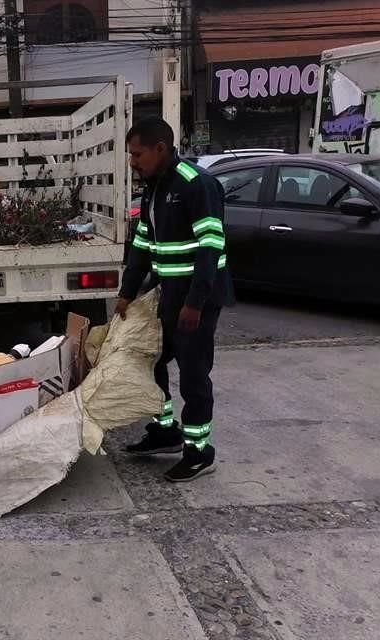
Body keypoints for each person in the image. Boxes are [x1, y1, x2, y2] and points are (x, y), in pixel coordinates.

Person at [115, 117, 235, 482]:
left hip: (196, 300)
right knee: (152, 361)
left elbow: (211, 246)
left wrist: (195, 304)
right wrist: (125, 293)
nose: (133, 161)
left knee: (194, 376)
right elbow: (140, 246)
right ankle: (166, 431)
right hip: (168, 295)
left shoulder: (196, 185)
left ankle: (200, 451)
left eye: (137, 154)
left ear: (160, 149)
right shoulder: (153, 188)